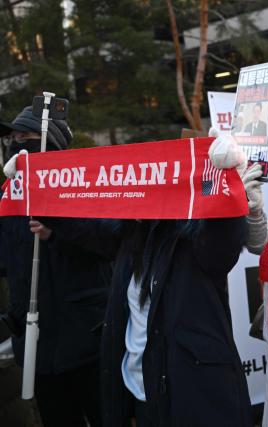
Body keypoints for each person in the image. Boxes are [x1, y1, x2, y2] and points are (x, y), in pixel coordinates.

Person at [7, 134, 253, 426]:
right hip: (140, 394)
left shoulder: (193, 241)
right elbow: (85, 227)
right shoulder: (131, 235)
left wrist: (229, 186)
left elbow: (223, 238)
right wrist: (35, 189)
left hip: (192, 399)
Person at [0, 106, 109, 426]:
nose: (15, 143)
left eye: (25, 137)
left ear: (51, 144)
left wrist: (55, 234)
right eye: (12, 138)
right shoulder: (8, 197)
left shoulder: (83, 188)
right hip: (37, 350)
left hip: (88, 344)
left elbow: (108, 245)